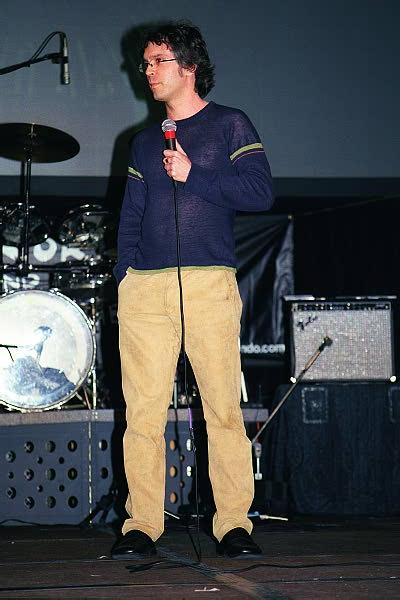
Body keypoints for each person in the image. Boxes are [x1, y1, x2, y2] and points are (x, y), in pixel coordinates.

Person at [111, 21, 274, 560]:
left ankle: (233, 525)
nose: (147, 71)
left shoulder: (229, 124)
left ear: (188, 67)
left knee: (222, 409)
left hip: (208, 285)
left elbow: (260, 192)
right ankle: (141, 525)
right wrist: (125, 278)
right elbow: (131, 217)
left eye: (158, 61)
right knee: (143, 414)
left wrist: (192, 173)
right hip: (145, 289)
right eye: (145, 63)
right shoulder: (142, 142)